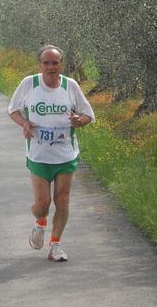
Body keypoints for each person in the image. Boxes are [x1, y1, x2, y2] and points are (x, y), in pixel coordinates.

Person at [8, 45, 95, 262]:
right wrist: (24, 124)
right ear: (40, 65)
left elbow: (88, 115)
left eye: (55, 63)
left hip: (65, 154)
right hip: (39, 155)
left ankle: (55, 245)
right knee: (42, 205)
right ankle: (40, 222)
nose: (50, 67)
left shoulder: (70, 85)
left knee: (63, 200)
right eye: (46, 63)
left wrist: (79, 121)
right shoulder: (30, 84)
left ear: (61, 64)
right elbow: (13, 110)